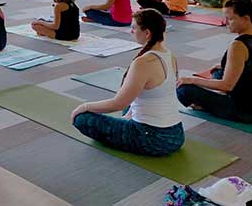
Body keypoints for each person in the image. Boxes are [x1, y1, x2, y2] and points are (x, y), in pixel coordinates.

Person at [71, 9, 184, 156]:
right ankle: (129, 121)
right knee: (129, 106)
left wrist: (84, 107)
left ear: (147, 33)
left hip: (152, 139)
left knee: (82, 119)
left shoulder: (143, 62)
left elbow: (118, 104)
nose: (131, 31)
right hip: (176, 134)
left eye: (134, 28)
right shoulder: (169, 55)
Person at [176, 0, 252, 123]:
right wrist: (225, 66)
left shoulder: (239, 46)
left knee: (184, 89)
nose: (226, 22)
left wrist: (192, 79)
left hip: (243, 110)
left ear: (246, 18)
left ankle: (208, 107)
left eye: (230, 19)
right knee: (218, 71)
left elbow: (226, 85)